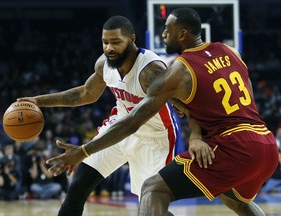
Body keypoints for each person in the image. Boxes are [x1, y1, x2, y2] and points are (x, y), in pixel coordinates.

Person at [45, 8, 279, 216]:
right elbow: (240, 102)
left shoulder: (177, 70)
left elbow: (133, 122)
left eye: (167, 29)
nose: (163, 34)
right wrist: (197, 137)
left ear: (183, 34)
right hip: (265, 144)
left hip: (230, 146)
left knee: (153, 189)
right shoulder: (230, 52)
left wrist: (84, 150)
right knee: (236, 201)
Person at [18, 15, 183, 216]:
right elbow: (85, 93)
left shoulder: (150, 70)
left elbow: (134, 124)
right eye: (105, 42)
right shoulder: (104, 64)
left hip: (154, 138)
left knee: (152, 209)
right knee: (77, 190)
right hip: (120, 126)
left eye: (116, 42)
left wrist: (84, 151)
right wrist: (38, 101)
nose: (109, 48)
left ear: (132, 39)